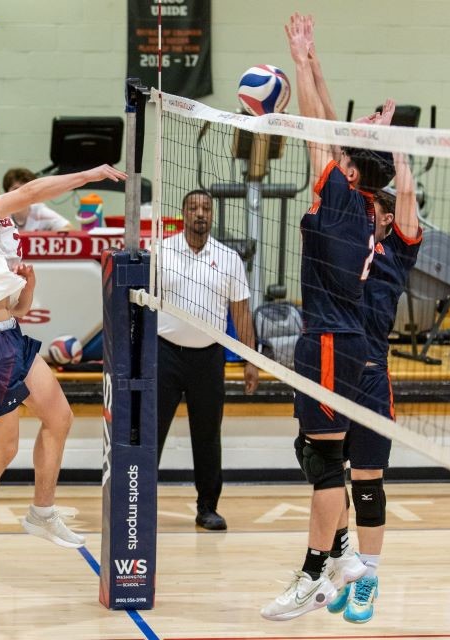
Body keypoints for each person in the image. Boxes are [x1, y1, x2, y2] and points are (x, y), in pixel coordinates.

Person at [261, 13, 397, 621]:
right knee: (319, 456)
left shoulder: (340, 201)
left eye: (344, 155)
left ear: (347, 172)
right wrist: (314, 66)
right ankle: (339, 555)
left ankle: (318, 572)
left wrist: (301, 60)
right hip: (346, 345)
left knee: (322, 466)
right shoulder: (365, 204)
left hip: (326, 346)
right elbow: (329, 135)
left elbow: (318, 130)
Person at [0, 151, 126, 582]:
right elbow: (33, 190)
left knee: (59, 417)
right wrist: (90, 172)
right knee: (3, 448)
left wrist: (29, 287)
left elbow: (18, 309)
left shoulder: (1, 230)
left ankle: (41, 513)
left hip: (9, 334)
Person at [323, 153, 421, 623]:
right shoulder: (342, 240)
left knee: (366, 479)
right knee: (326, 477)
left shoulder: (398, 251)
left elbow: (405, 196)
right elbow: (329, 182)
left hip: (370, 375)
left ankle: (369, 577)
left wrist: (397, 151)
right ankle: (344, 564)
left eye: (377, 212)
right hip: (330, 370)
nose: (371, 216)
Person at [157, 189, 259, 531]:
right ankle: (139, 503)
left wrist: (250, 360)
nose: (200, 213)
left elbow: (241, 312)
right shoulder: (161, 250)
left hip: (208, 358)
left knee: (207, 436)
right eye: (193, 207)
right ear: (183, 213)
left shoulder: (229, 258)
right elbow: (140, 305)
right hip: (165, 354)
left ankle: (207, 508)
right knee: (151, 433)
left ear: (212, 215)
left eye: (206, 208)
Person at [2, 167, 73, 231]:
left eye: (26, 190)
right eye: (16, 189)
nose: (21, 194)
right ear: (7, 192)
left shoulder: (39, 211)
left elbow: (69, 229)